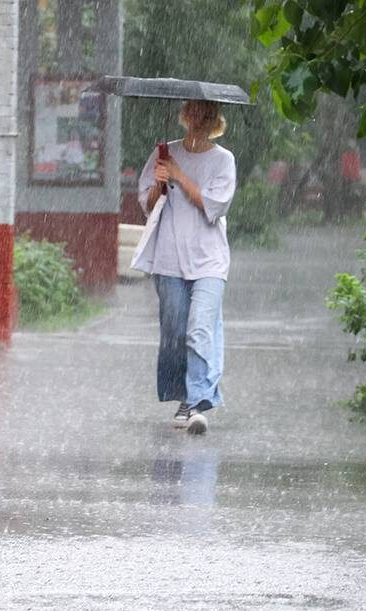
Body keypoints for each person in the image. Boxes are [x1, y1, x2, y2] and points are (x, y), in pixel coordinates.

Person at [135, 100, 237, 435]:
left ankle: (197, 401)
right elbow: (148, 206)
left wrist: (179, 174)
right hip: (169, 259)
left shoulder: (223, 160)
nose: (199, 121)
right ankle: (183, 395)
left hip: (209, 259)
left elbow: (213, 205)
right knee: (176, 331)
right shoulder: (164, 153)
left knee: (200, 330)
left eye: (207, 116)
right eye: (194, 114)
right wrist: (161, 184)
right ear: (184, 117)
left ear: (215, 121)